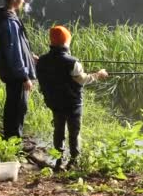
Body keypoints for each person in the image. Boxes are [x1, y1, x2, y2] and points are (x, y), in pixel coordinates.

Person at [36, 25, 108, 170]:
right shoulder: (72, 62)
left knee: (58, 130)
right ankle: (74, 160)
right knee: (74, 132)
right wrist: (98, 75)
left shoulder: (42, 60)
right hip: (73, 104)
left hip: (55, 103)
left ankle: (58, 160)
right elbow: (82, 79)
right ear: (66, 42)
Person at [0, 0, 37, 140]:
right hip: (17, 75)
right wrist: (24, 76)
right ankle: (13, 144)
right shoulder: (9, 21)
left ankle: (9, 141)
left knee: (12, 107)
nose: (24, 1)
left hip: (12, 73)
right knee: (17, 109)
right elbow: (13, 51)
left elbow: (17, 46)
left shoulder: (6, 16)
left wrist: (30, 56)